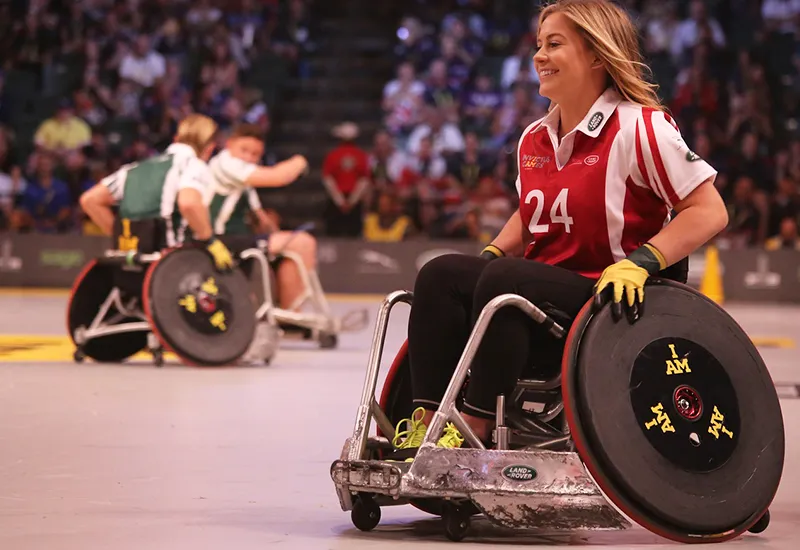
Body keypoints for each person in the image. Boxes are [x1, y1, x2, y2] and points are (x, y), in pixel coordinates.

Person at [390, 0, 729, 458]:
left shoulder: (641, 126)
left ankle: (475, 428)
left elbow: (708, 210)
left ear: (595, 55)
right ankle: (427, 429)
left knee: (507, 280)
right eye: (537, 45)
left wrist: (640, 264)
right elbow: (532, 212)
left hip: (611, 298)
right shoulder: (533, 137)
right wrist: (491, 251)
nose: (538, 56)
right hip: (543, 290)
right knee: (442, 274)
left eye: (554, 44)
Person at [79, 114, 235, 271]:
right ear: (210, 148)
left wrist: (122, 236)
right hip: (173, 265)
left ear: (176, 139)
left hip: (131, 264)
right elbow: (189, 203)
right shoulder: (194, 165)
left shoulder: (133, 169)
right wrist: (210, 241)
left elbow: (90, 200)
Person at [207, 123, 315, 311]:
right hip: (220, 240)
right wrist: (300, 161)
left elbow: (261, 220)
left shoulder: (243, 179)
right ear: (229, 145)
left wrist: (277, 234)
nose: (249, 158)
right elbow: (279, 176)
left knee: (292, 246)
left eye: (255, 154)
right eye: (244, 150)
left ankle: (288, 312)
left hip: (238, 238)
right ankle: (290, 315)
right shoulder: (226, 163)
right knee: (303, 243)